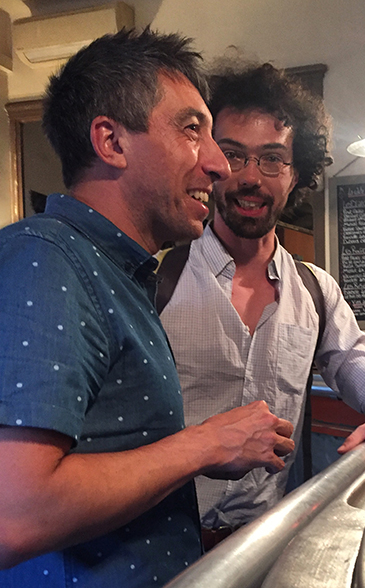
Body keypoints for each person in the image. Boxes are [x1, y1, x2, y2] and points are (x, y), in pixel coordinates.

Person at [0, 29, 295, 588]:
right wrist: (206, 444)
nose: (219, 165)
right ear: (111, 142)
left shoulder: (116, 271)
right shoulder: (46, 259)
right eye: (192, 130)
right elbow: (15, 515)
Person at [159, 62, 365, 547]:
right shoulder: (157, 280)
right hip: (167, 547)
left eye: (272, 159)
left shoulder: (316, 291)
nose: (250, 177)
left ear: (296, 174)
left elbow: (361, 368)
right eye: (233, 155)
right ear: (209, 160)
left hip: (268, 547)